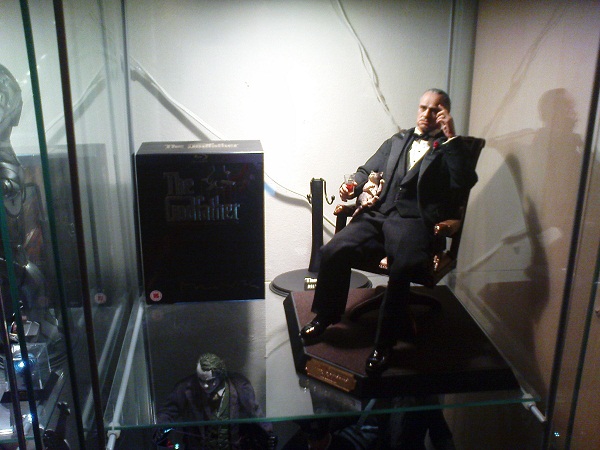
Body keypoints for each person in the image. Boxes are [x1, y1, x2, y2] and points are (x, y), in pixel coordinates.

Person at [300, 88, 478, 375]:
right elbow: (365, 170)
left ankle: (384, 343)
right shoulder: (397, 140)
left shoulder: (449, 148)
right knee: (333, 249)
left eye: (435, 110)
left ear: (444, 114)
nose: (426, 114)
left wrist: (452, 138)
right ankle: (325, 316)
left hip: (412, 221)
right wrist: (353, 186)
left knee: (402, 266)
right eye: (423, 107)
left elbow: (464, 182)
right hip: (377, 215)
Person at [154, 352, 276, 449]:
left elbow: (255, 412)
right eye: (201, 380)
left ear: (220, 375)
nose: (205, 385)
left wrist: (268, 434)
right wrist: (160, 428)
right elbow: (168, 412)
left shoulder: (239, 386)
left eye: (210, 381)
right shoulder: (186, 388)